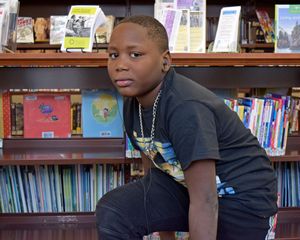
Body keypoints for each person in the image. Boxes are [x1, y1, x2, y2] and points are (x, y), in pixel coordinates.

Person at [96, 15, 278, 240]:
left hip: (244, 202)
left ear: (165, 62)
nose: (120, 65)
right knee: (114, 211)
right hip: (192, 192)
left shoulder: (186, 107)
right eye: (113, 55)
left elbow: (206, 200)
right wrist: (166, 237)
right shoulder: (132, 104)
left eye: (135, 55)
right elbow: (154, 174)